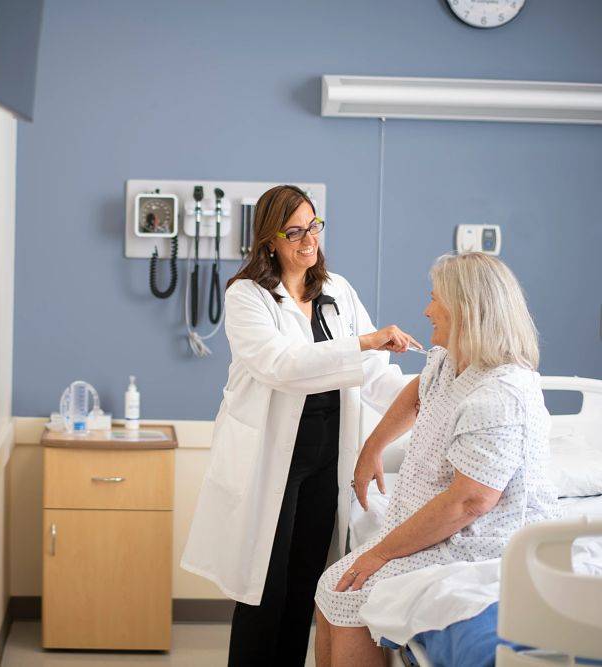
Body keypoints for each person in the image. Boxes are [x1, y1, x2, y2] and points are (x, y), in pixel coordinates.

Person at [180, 185, 419, 666]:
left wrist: (431, 395)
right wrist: (366, 342)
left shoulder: (337, 291)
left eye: (314, 226)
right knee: (264, 587)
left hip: (328, 454)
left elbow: (373, 375)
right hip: (272, 459)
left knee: (307, 579)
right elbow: (281, 366)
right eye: (294, 231)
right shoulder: (248, 297)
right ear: (270, 239)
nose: (308, 239)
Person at [313, 252, 558, 667]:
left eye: (435, 299)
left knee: (343, 590)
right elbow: (418, 392)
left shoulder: (501, 395)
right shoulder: (453, 359)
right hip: (442, 523)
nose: (426, 309)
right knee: (332, 589)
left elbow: (471, 502)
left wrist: (381, 553)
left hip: (481, 543)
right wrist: (372, 447)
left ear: (466, 308)